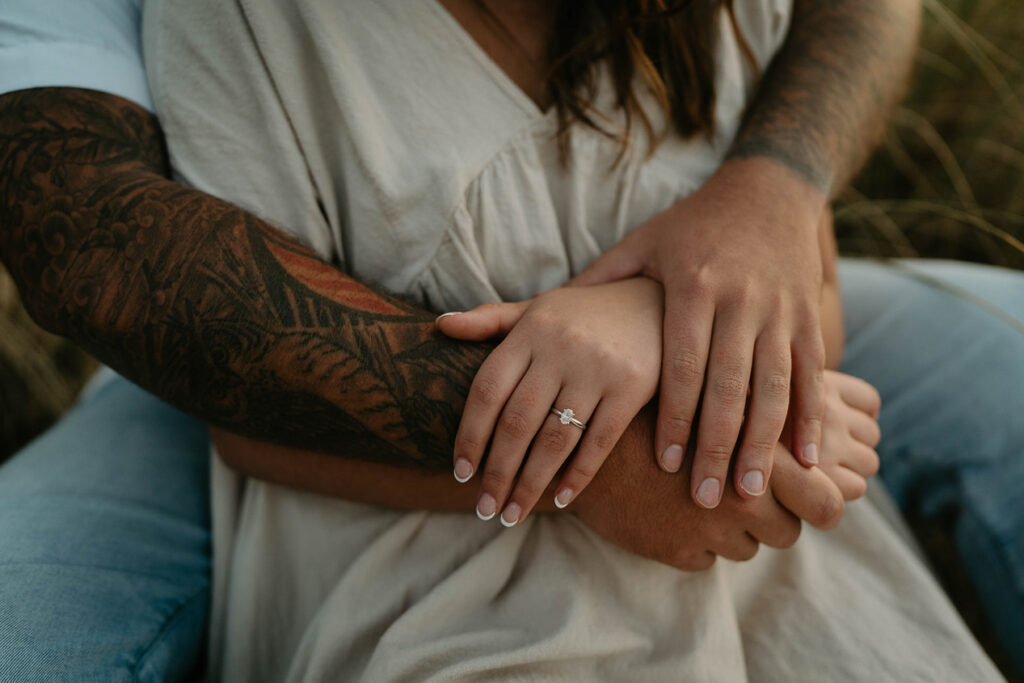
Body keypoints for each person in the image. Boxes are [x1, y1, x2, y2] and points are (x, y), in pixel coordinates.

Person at [0, 1, 1020, 681]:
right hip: (403, 541)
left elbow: (805, 295)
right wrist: (603, 437)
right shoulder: (253, 29)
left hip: (754, 559)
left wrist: (754, 215)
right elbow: (113, 259)